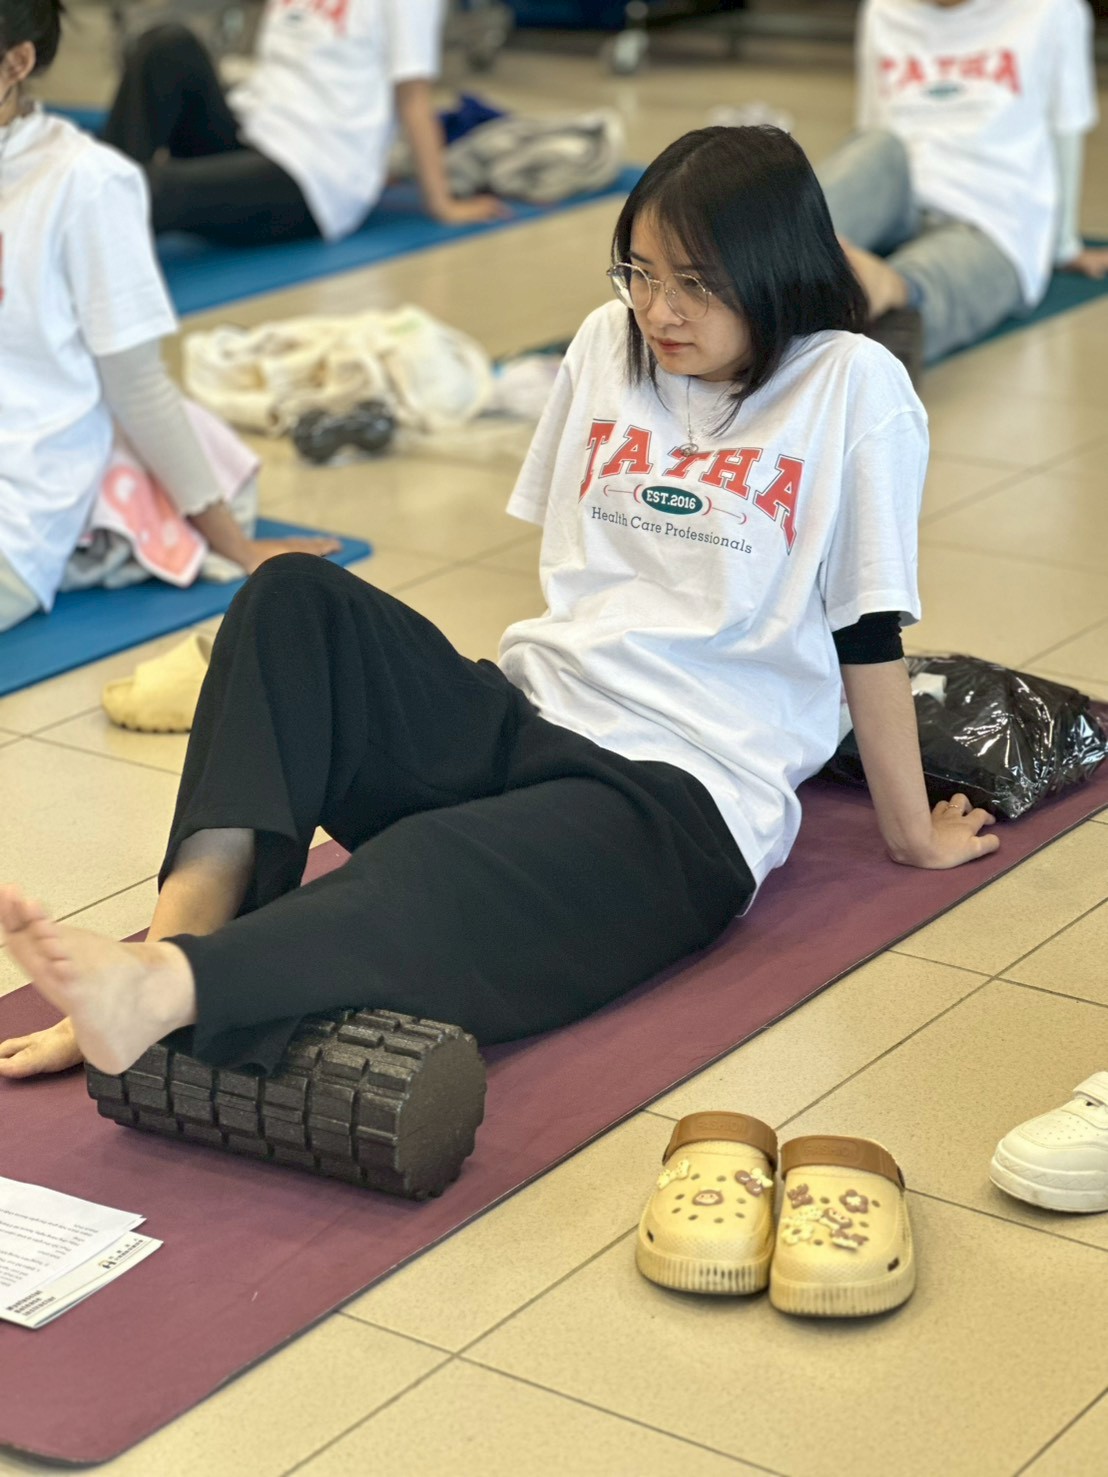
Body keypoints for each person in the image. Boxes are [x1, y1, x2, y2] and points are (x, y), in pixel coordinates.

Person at [0, 124, 1001, 1083]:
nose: (660, 310)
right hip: (527, 719)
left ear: (774, 273)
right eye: (641, 272)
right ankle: (165, 947)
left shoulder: (851, 385)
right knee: (288, 594)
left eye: (696, 284)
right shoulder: (607, 343)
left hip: (677, 796)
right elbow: (591, 584)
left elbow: (867, 629)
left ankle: (166, 989)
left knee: (434, 862)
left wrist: (911, 835)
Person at [0, 0, 340, 635]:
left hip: (17, 503)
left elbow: (138, 385)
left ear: (17, 63)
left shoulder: (87, 183)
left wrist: (235, 545)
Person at [819, 0, 1107, 364]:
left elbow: (1065, 133)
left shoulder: (1053, 11)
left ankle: (874, 297)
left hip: (993, 217)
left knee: (914, 289)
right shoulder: (884, 10)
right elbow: (869, 131)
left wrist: (1063, 246)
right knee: (877, 147)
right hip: (903, 190)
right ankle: (782, 250)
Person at [101, 0, 506, 246]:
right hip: (252, 132)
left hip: (312, 176)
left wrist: (441, 203)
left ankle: (92, 217)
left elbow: (414, 98)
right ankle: (93, 187)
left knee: (154, 188)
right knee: (167, 45)